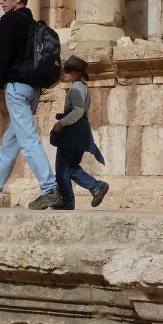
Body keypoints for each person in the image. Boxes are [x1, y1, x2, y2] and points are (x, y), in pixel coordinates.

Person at [0, 0, 61, 210]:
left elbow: (1, 54)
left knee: (28, 140)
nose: (1, 2)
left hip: (16, 88)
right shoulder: (33, 24)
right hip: (33, 90)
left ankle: (49, 188)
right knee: (10, 143)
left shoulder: (10, 20)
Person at [49, 55, 109, 210]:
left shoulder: (75, 88)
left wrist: (61, 123)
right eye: (65, 69)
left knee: (62, 167)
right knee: (71, 166)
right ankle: (95, 188)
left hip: (72, 133)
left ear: (78, 73)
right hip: (81, 133)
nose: (65, 73)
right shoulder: (83, 88)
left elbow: (78, 111)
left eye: (69, 70)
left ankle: (68, 199)